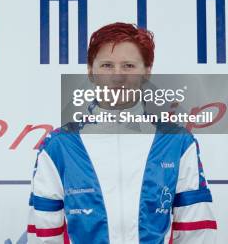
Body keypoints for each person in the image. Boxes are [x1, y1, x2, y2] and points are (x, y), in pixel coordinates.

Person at [27, 22, 217, 243]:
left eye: (128, 65)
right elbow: (44, 233)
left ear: (146, 72)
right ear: (91, 71)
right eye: (107, 65)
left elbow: (196, 231)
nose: (117, 77)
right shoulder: (59, 146)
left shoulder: (177, 143)